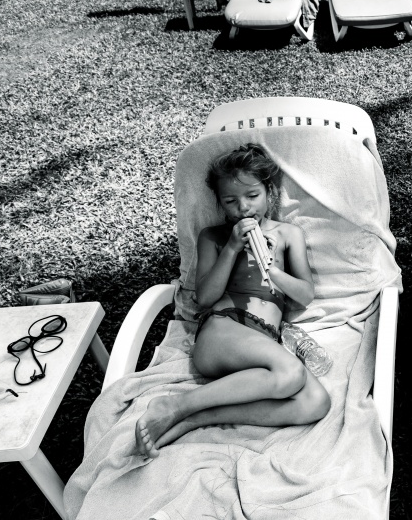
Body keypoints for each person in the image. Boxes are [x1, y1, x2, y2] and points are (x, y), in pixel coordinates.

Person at [134, 144, 331, 458]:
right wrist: (231, 249)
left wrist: (272, 270)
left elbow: (305, 294)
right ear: (220, 203)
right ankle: (175, 405)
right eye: (230, 201)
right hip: (222, 331)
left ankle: (192, 420)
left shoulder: (287, 234)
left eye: (252, 196)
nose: (243, 208)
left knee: (315, 402)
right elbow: (204, 298)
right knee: (291, 374)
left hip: (260, 345)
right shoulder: (213, 237)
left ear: (270, 192)